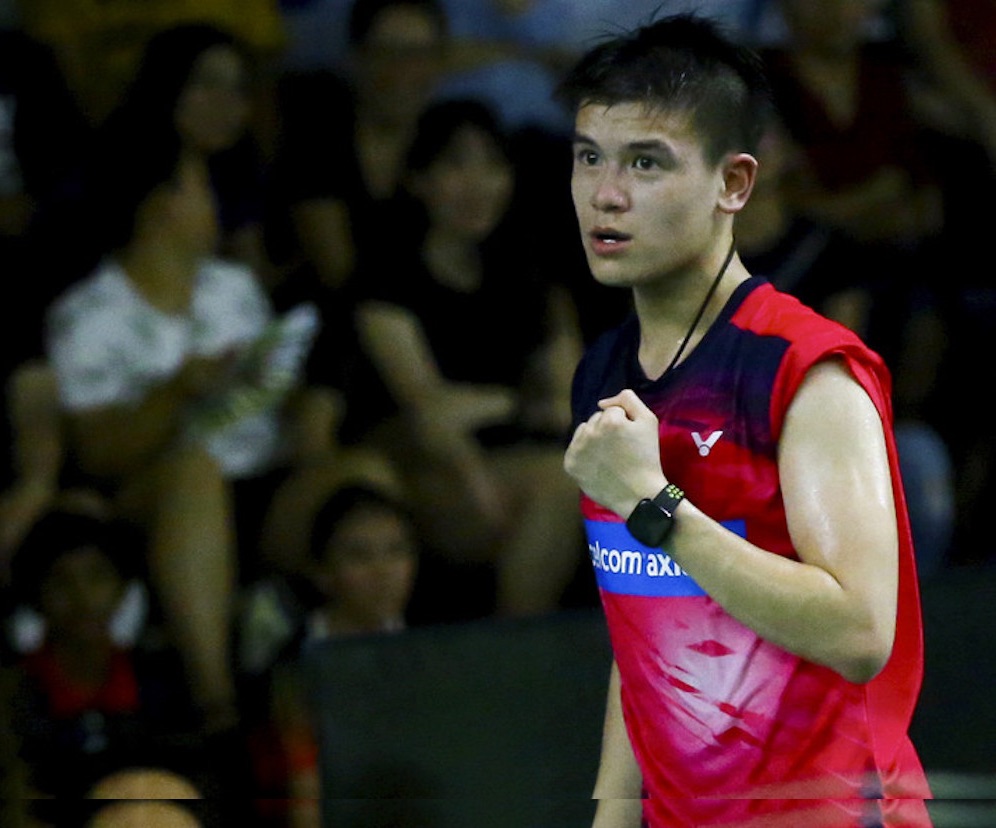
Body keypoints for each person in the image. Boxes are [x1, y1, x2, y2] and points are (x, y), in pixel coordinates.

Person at [556, 13, 931, 826]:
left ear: (734, 184)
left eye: (646, 163)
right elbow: (643, 638)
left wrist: (657, 509)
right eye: (589, 157)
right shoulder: (603, 374)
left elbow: (860, 630)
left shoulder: (805, 371)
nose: (605, 193)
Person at [35, 121, 332, 735]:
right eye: (199, 188)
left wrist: (304, 411)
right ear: (160, 204)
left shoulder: (235, 288)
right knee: (196, 472)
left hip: (265, 482)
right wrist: (177, 390)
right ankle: (216, 705)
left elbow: (282, 390)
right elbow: (96, 455)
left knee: (361, 476)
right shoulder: (89, 315)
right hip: (159, 498)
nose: (214, 204)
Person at [351, 97, 588, 617]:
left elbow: (570, 397)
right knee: (554, 484)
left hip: (517, 456)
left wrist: (501, 407)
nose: (477, 183)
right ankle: (513, 660)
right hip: (411, 468)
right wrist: (513, 413)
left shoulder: (528, 273)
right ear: (418, 179)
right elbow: (428, 414)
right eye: (456, 164)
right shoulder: (386, 280)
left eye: (492, 165)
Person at [1, 506, 202, 827]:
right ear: (35, 594)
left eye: (97, 577)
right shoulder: (12, 693)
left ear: (122, 586)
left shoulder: (161, 678)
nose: (82, 598)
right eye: (61, 582)